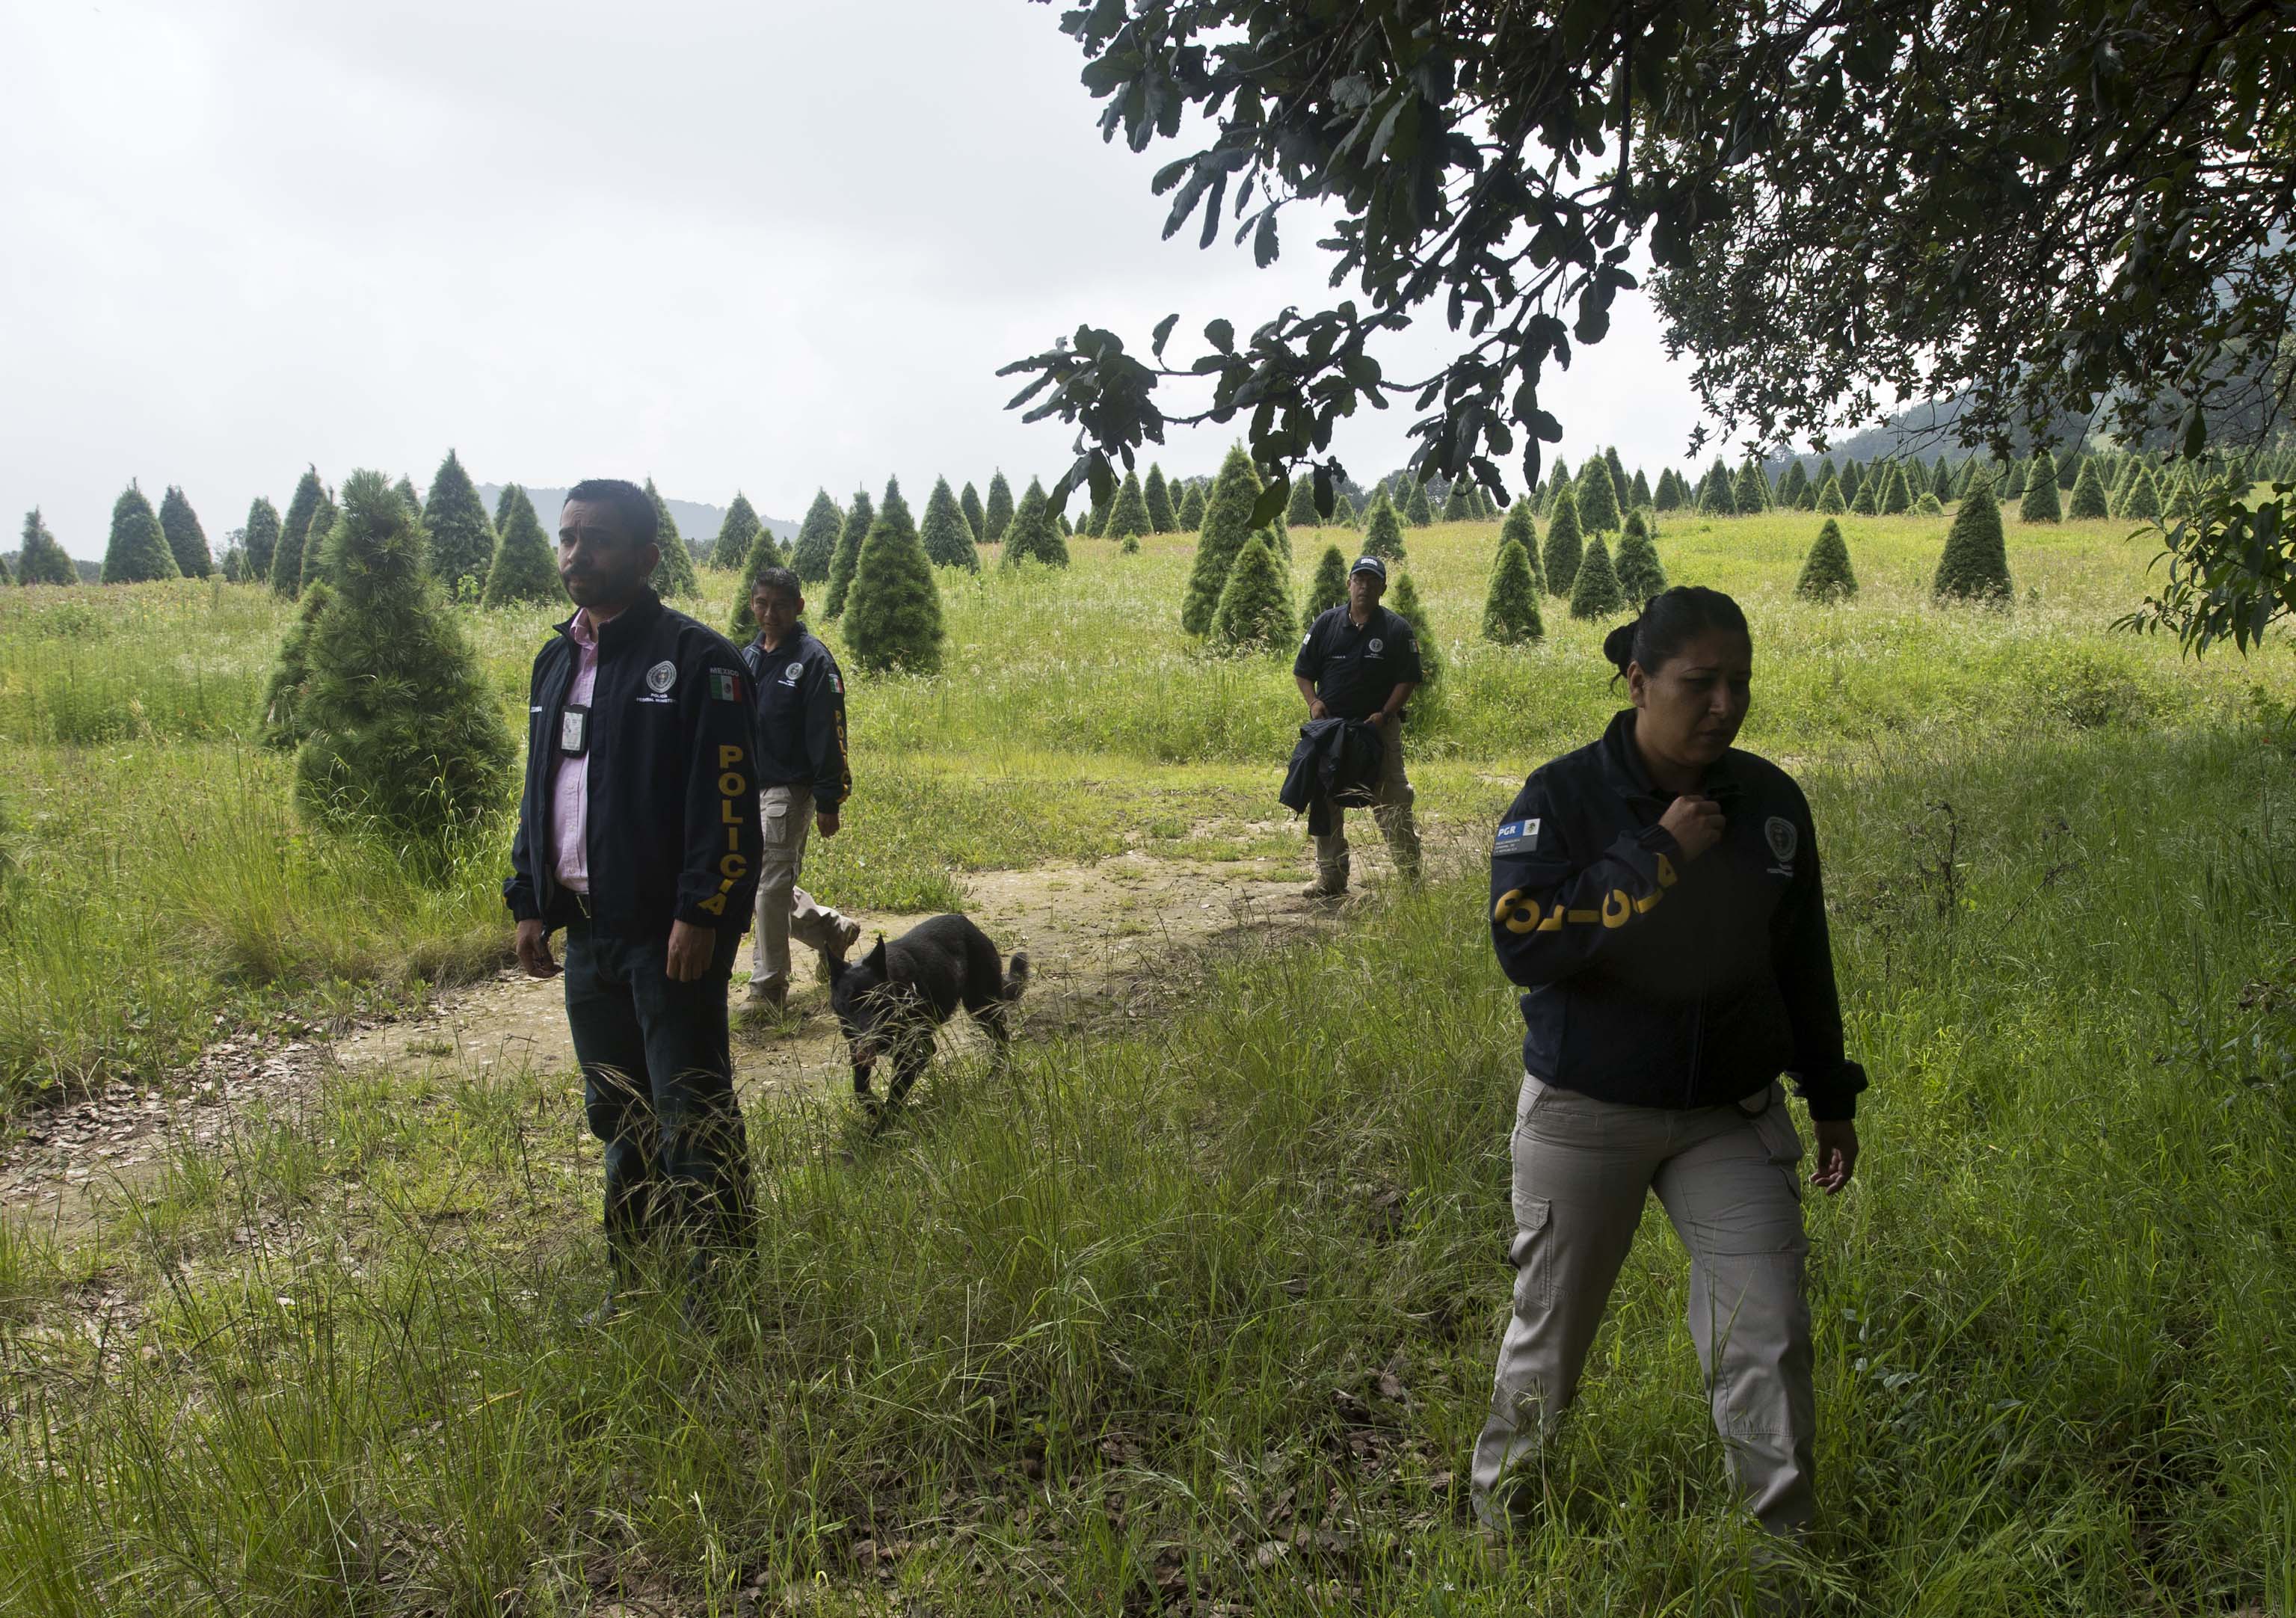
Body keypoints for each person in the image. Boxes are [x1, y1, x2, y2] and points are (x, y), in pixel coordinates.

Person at [1472, 585, 1865, 1544]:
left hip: (1725, 1114)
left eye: (1739, 683)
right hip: (1585, 1109)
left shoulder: (1769, 801)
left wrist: (1828, 1091)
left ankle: (1785, 1561)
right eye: (1700, 682)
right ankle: (1497, 1528)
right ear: (1638, 680)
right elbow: (1523, 942)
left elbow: (1798, 954)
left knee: (1766, 1335)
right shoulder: (1561, 796)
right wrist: (1655, 856)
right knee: (1548, 1339)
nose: (1724, 704)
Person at [504, 478, 761, 1325]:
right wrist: (530, 899)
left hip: (669, 934)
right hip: (589, 933)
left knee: (692, 1110)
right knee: (619, 1113)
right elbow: (543, 789)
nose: (577, 554)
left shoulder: (698, 661)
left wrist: (702, 909)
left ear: (648, 556)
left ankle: (720, 1293)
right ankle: (638, 1283)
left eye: (598, 539)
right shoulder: (556, 660)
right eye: (567, 536)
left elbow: (724, 802)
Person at [737, 566, 861, 1013]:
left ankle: (768, 990)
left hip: (789, 790)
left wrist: (830, 799)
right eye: (762, 604)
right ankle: (829, 930)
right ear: (752, 603)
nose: (770, 614)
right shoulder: (749, 656)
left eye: (781, 606)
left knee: (769, 884)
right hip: (745, 786)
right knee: (755, 879)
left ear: (799, 607)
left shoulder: (813, 661)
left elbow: (829, 734)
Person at [1292, 555, 1423, 896]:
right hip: (1331, 730)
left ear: (1382, 587)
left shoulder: (1396, 629)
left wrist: (1385, 713)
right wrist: (1314, 702)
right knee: (1324, 800)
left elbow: (1408, 679)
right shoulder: (1326, 624)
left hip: (1376, 729)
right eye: (1358, 580)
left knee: (1392, 800)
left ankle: (1411, 881)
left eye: (1372, 581)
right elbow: (1303, 672)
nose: (1364, 586)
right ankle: (1331, 879)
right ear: (1349, 584)